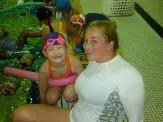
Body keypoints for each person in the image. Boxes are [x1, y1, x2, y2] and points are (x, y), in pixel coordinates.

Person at [12, 20, 144, 122]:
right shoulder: (95, 60)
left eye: (94, 41)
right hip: (75, 116)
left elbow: (137, 119)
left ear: (111, 44)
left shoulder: (128, 76)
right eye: (86, 40)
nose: (87, 46)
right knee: (20, 114)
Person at [38, 32, 83, 105]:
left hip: (71, 83)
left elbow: (84, 82)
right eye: (51, 49)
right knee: (50, 98)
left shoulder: (74, 63)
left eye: (59, 47)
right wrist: (43, 104)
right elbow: (42, 89)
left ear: (66, 49)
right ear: (45, 53)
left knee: (70, 95)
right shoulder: (45, 69)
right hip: (55, 85)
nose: (56, 52)